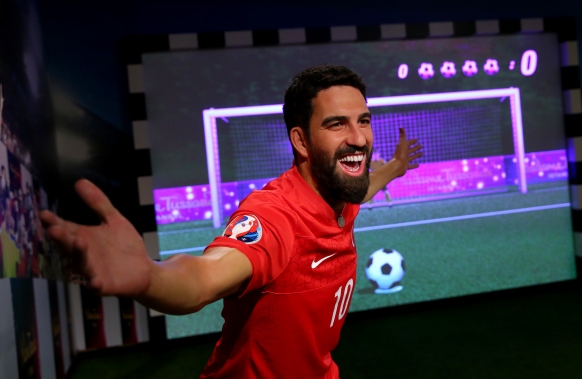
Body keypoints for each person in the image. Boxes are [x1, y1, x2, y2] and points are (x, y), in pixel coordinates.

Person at [40, 65, 422, 379]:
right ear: (302, 142)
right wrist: (149, 276)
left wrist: (395, 167)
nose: (359, 138)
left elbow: (362, 188)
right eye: (336, 124)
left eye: (363, 121)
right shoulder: (276, 216)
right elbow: (205, 277)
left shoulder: (339, 192)